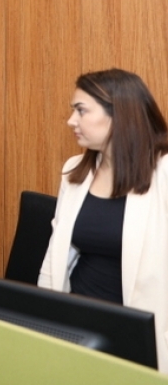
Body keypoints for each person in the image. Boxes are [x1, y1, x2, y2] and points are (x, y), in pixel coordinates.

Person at [39, 69, 168, 372]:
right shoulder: (74, 170)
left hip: (141, 331)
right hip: (80, 324)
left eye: (81, 110)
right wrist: (43, 320)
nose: (71, 121)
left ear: (118, 114)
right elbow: (55, 255)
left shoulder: (163, 172)